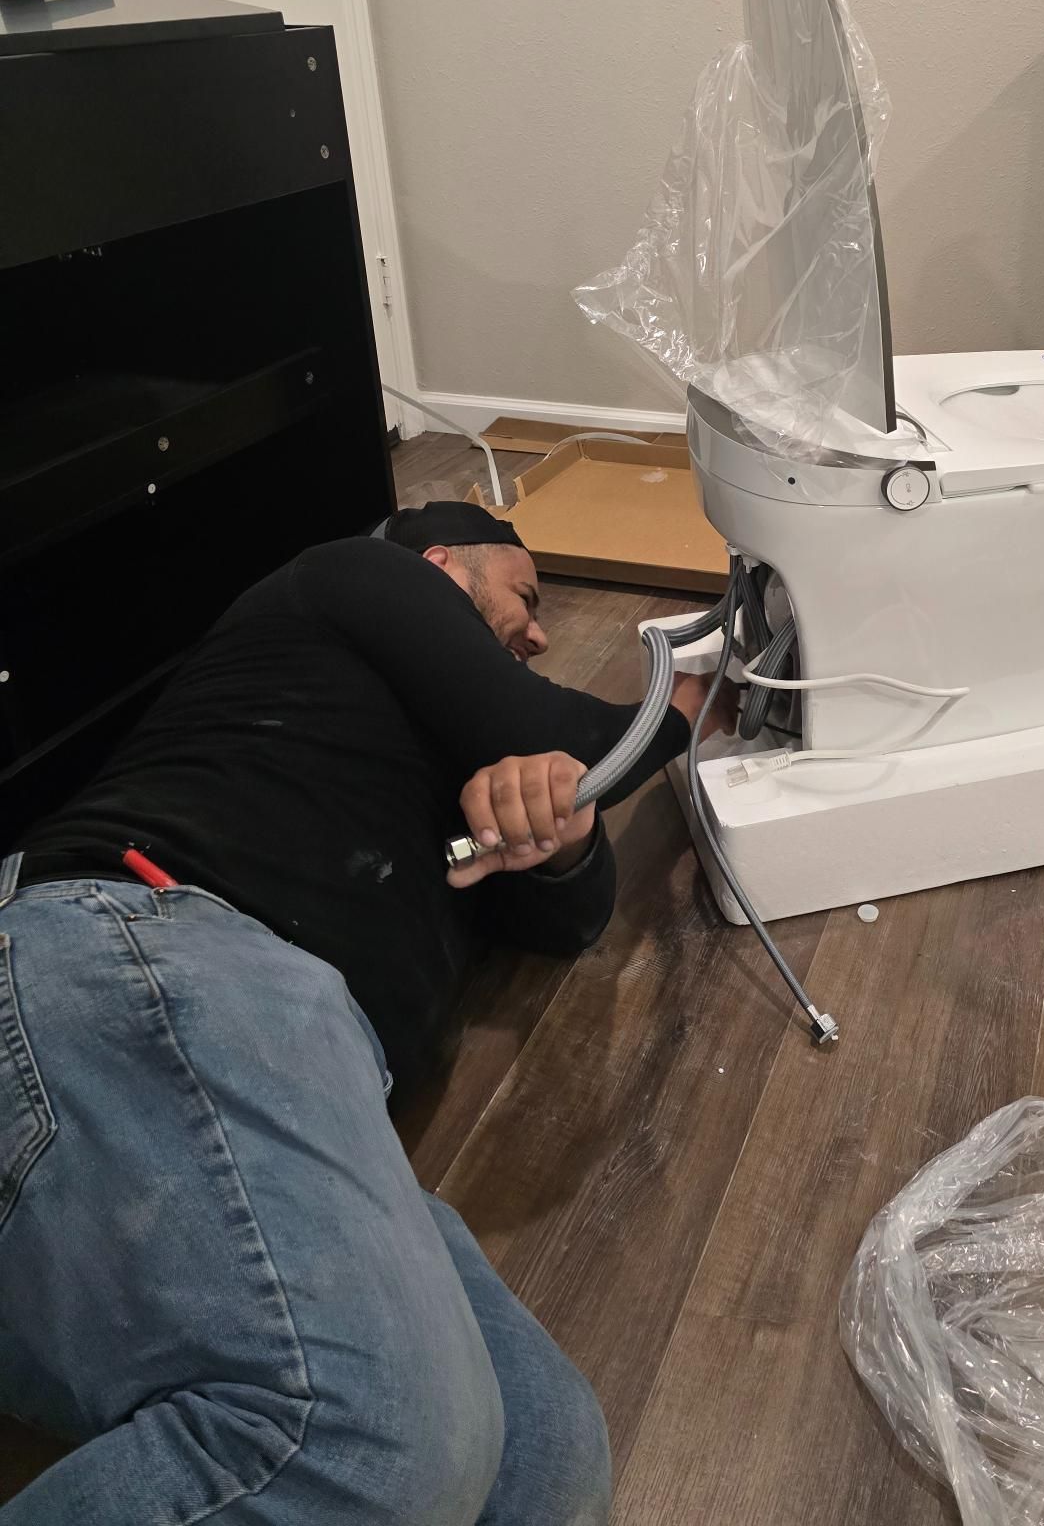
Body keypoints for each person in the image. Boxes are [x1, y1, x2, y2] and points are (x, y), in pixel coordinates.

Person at [0, 500, 729, 1524]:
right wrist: (699, 690)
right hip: (141, 944)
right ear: (442, 561)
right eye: (524, 595)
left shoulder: (427, 751)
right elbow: (566, 732)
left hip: (296, 1063)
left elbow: (568, 917)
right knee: (372, 1439)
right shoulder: (351, 571)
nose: (537, 631)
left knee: (544, 1470)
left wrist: (557, 837)